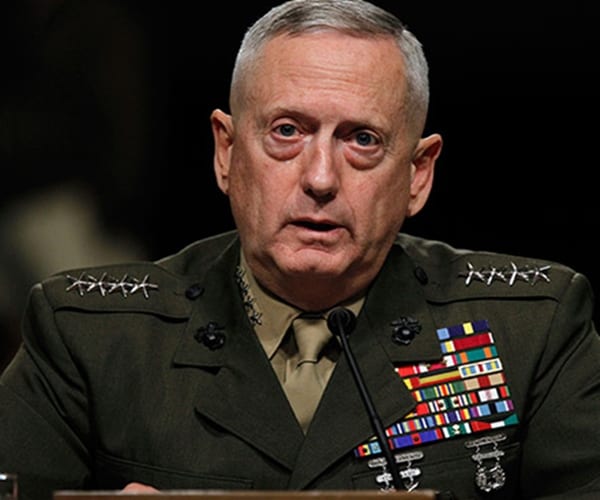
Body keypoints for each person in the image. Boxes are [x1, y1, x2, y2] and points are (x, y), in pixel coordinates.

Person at [1, 0, 599, 498]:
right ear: (226, 152)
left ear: (418, 174)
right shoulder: (91, 336)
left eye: (362, 140)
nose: (320, 178)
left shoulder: (532, 329)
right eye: (287, 131)